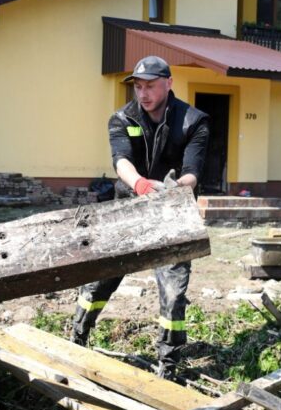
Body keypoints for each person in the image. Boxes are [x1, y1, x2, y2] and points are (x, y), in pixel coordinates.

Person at [70, 55, 210, 379]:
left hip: (172, 214)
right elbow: (121, 162)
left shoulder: (194, 121)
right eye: (138, 86)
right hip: (127, 209)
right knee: (97, 282)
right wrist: (142, 185)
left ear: (169, 84)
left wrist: (176, 190)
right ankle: (78, 337)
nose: (143, 93)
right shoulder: (122, 118)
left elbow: (193, 172)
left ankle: (169, 364)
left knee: (173, 294)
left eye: (150, 86)